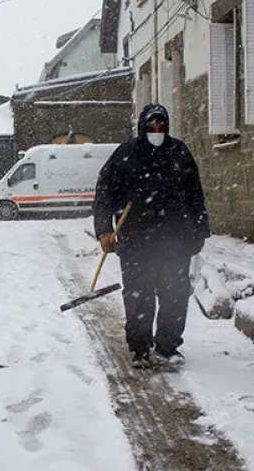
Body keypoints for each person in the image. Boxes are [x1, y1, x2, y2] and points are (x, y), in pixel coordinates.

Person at [92, 103, 210, 369]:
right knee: (138, 296)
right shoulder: (126, 154)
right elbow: (104, 194)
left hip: (175, 240)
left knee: (174, 296)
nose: (156, 131)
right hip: (136, 241)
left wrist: (200, 230)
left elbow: (194, 195)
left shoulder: (179, 152)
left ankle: (168, 347)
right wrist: (105, 230)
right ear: (142, 127)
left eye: (161, 127)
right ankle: (140, 349)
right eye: (151, 127)